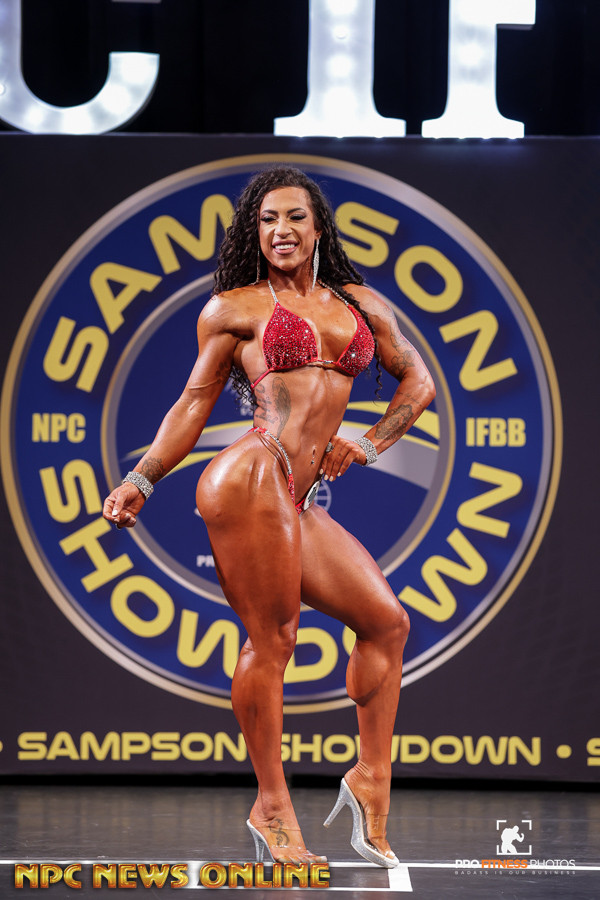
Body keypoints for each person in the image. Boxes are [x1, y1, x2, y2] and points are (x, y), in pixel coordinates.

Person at [103, 166, 436, 868]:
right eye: (267, 220)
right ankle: (272, 805)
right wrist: (141, 477)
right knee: (274, 640)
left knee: (386, 623)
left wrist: (370, 443)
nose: (280, 230)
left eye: (294, 217)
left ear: (318, 228)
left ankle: (370, 777)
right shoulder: (235, 308)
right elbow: (193, 403)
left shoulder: (362, 305)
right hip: (252, 475)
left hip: (295, 495)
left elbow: (420, 380)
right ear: (254, 233)